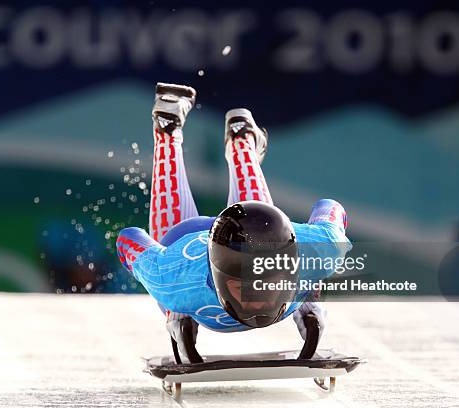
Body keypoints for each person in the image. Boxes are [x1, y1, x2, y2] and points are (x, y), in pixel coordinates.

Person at [116, 83, 351, 360]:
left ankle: (225, 136)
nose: (258, 297)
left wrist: (310, 294)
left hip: (228, 254)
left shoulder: (318, 249)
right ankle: (227, 137)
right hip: (185, 244)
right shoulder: (174, 276)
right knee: (169, 266)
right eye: (246, 284)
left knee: (261, 217)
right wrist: (173, 305)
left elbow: (331, 211)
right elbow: (129, 239)